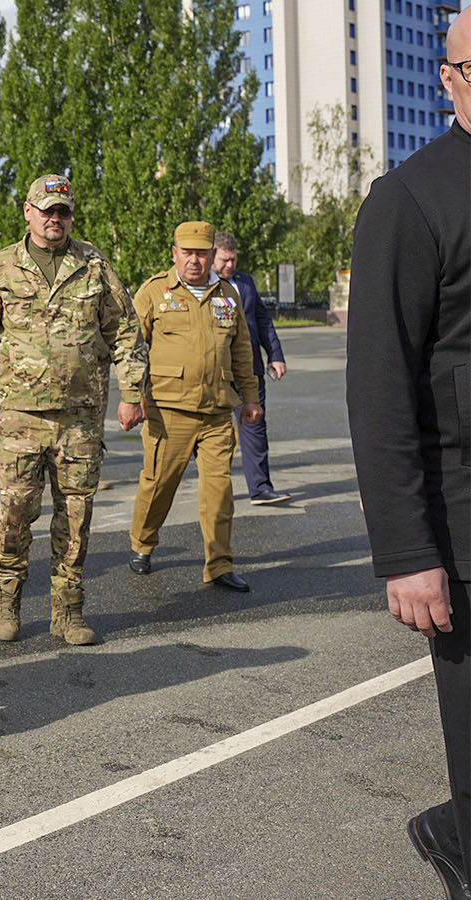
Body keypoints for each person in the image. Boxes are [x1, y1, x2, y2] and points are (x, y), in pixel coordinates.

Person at [348, 19, 471, 897]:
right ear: (448, 77)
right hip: (463, 523)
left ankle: (449, 828)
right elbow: (380, 383)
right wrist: (406, 552)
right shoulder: (409, 199)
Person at [0, 174, 147, 646]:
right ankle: (7, 598)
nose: (55, 218)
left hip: (80, 417)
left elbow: (125, 331)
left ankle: (69, 610)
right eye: (47, 210)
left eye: (63, 211)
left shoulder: (94, 265)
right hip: (19, 417)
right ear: (28, 211)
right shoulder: (1, 267)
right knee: (15, 511)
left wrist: (133, 391)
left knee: (76, 517)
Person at [127, 221, 260, 592]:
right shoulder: (155, 292)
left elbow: (241, 350)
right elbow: (132, 348)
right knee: (159, 485)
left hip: (217, 412)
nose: (194, 260)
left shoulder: (227, 295)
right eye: (187, 253)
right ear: (175, 253)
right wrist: (132, 396)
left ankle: (219, 564)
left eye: (202, 253)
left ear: (212, 255)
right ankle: (142, 542)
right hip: (169, 411)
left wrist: (250, 397)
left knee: (219, 492)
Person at [211, 232, 290, 505]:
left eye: (233, 259)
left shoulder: (245, 283)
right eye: (224, 260)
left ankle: (261, 488)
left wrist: (275, 355)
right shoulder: (203, 286)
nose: (230, 265)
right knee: (215, 434)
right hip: (217, 373)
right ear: (212, 257)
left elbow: (263, 320)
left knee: (255, 427)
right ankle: (216, 491)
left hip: (250, 369)